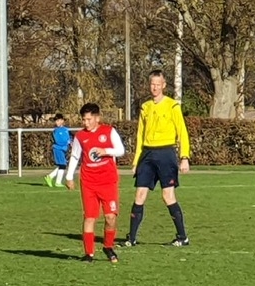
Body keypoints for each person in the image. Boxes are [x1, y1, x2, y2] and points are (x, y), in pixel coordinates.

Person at [125, 70, 192, 247]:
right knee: (140, 194)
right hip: (147, 154)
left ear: (164, 85)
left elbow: (182, 132)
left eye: (158, 84)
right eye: (152, 84)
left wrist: (184, 157)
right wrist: (136, 161)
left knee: (167, 195)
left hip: (166, 154)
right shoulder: (145, 107)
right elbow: (140, 136)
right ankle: (131, 238)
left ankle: (182, 237)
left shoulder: (172, 106)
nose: (154, 87)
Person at [64, 103, 125, 263]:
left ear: (97, 118)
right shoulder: (80, 136)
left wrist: (106, 151)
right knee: (89, 217)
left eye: (89, 119)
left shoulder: (109, 131)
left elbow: (121, 150)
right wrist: (69, 176)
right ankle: (89, 254)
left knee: (110, 217)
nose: (86, 123)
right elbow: (75, 156)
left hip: (108, 181)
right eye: (84, 119)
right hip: (88, 182)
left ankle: (108, 246)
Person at [45, 114, 70, 188]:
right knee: (62, 165)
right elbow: (58, 141)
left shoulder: (65, 129)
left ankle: (50, 176)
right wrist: (66, 143)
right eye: (56, 121)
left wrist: (70, 142)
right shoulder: (56, 131)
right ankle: (57, 182)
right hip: (58, 149)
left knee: (62, 165)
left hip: (63, 149)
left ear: (62, 120)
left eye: (59, 120)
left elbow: (68, 138)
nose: (57, 122)